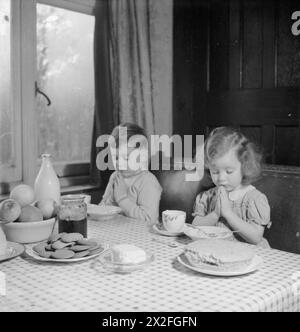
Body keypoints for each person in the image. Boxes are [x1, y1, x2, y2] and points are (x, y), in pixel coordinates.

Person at [192, 127, 271, 247]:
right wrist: (215, 214)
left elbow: (255, 237)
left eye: (229, 171)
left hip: (248, 256)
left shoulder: (253, 199)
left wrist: (228, 213)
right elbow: (195, 227)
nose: (221, 178)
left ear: (245, 166)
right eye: (215, 172)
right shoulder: (207, 197)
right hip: (217, 253)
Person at [100, 123, 162, 224]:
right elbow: (104, 206)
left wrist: (121, 199)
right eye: (116, 157)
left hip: (143, 235)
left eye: (126, 158)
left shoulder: (148, 182)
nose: (119, 163)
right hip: (116, 231)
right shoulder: (115, 176)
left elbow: (149, 219)